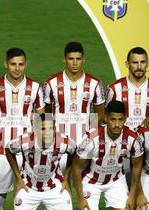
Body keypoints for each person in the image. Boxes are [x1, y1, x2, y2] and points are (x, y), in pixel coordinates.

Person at [0, 48, 45, 210]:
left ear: (26, 64)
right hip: (0, 152)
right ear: (6, 64)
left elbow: (42, 120)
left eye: (21, 64)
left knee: (25, 199)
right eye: (13, 64)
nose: (17, 68)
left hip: (27, 153)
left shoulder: (36, 88)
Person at [105, 46, 149, 210]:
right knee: (123, 196)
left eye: (142, 62)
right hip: (122, 152)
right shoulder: (115, 89)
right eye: (134, 63)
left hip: (148, 153)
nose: (139, 67)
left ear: (147, 63)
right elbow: (108, 119)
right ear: (127, 64)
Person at [72, 101, 147, 210]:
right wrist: (80, 197)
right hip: (91, 180)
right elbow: (76, 167)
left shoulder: (133, 138)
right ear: (106, 118)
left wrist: (133, 195)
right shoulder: (91, 138)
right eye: (113, 119)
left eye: (120, 120)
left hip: (116, 180)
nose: (117, 124)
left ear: (125, 119)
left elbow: (137, 166)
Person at [43, 41, 105, 172]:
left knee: (83, 185)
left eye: (78, 59)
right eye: (71, 59)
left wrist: (91, 139)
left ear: (83, 60)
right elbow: (46, 114)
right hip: (58, 143)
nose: (75, 63)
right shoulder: (51, 83)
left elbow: (99, 115)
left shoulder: (95, 84)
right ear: (64, 60)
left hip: (84, 142)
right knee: (58, 185)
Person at [5, 113, 75, 210]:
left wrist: (66, 179)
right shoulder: (25, 141)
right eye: (43, 129)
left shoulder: (64, 142)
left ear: (55, 129)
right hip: (28, 186)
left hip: (54, 186)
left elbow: (74, 152)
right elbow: (8, 150)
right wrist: (18, 179)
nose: (47, 133)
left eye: (51, 128)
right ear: (36, 130)